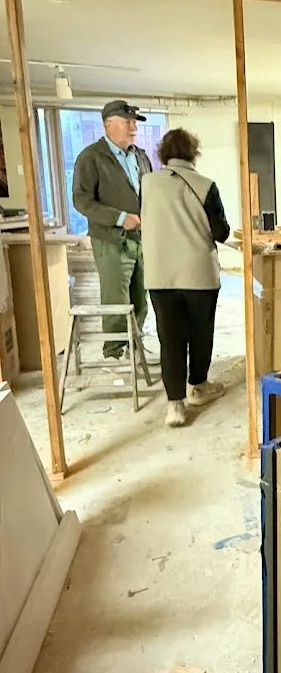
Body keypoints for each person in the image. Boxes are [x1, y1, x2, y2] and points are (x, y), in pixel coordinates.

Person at [140, 128, 231, 428]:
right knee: (200, 333)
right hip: (198, 275)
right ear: (194, 152)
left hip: (160, 275)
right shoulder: (205, 185)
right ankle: (199, 387)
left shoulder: (147, 183)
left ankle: (175, 406)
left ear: (163, 153)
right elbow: (220, 232)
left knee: (170, 338)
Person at [72, 101, 152, 359]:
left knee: (141, 296)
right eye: (128, 122)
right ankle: (114, 352)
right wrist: (119, 218)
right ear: (108, 125)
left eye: (134, 122)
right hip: (111, 240)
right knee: (116, 299)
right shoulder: (91, 157)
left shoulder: (140, 155)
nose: (133, 127)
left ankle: (135, 347)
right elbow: (81, 200)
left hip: (141, 239)